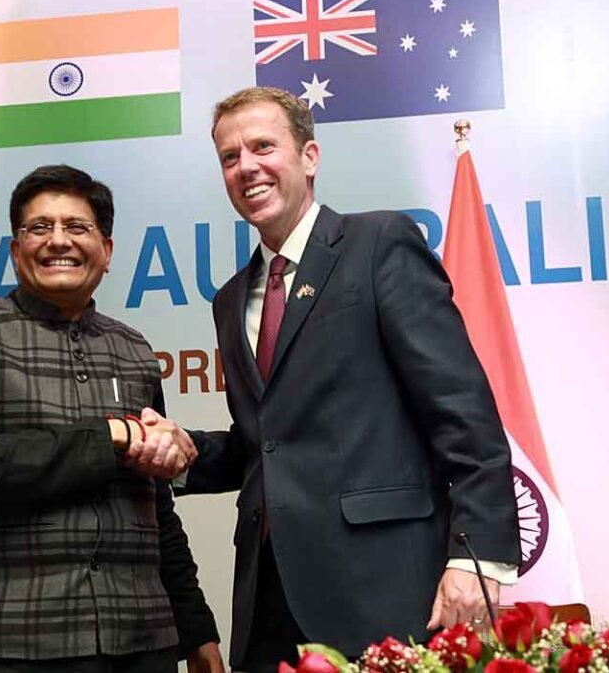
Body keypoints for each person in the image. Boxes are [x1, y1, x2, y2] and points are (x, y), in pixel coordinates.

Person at [155, 87, 521, 672]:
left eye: (262, 147)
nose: (246, 166)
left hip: (383, 594)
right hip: (267, 602)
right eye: (229, 156)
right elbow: (266, 444)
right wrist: (180, 455)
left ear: (310, 157)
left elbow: (463, 412)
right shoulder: (230, 299)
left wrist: (477, 558)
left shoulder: (379, 245)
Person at [0, 165, 224, 672]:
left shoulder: (135, 350)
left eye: (77, 227)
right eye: (40, 227)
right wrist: (114, 435)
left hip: (138, 645)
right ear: (16, 250)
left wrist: (196, 628)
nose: (58, 240)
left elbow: (156, 506)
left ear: (107, 250)